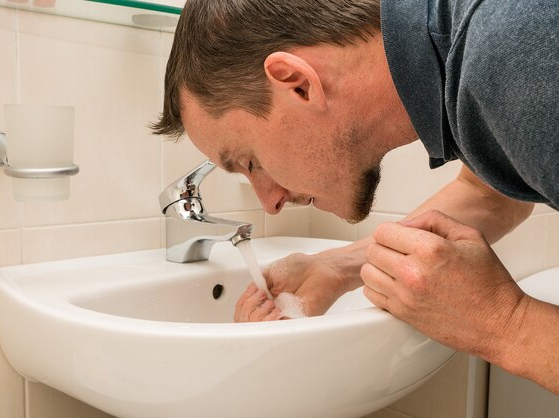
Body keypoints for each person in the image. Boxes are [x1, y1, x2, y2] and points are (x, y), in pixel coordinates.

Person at [152, 0, 559, 394]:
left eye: (249, 162)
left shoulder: (516, 52)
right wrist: (338, 267)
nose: (269, 203)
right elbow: (489, 194)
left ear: (298, 85)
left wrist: (506, 322)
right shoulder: (474, 49)